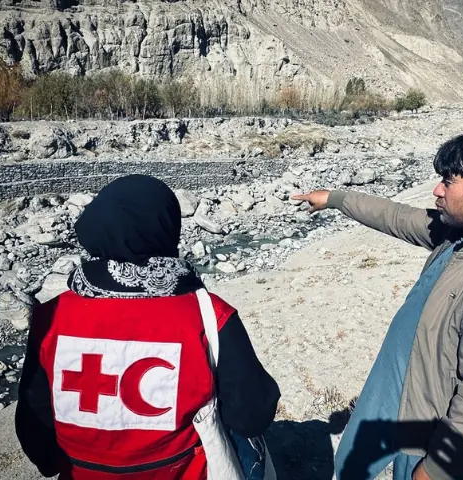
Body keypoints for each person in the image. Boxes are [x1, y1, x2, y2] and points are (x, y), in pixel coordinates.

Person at [293, 126, 463, 480]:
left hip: (433, 425)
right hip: (402, 382)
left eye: (448, 181)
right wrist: (336, 199)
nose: (437, 190)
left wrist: (433, 470)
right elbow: (398, 217)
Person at [15, 174, 280, 479]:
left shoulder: (52, 317)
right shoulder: (209, 313)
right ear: (167, 230)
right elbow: (253, 415)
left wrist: (54, 466)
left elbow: (34, 425)